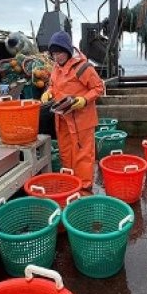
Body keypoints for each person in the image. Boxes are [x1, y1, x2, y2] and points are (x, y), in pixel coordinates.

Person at [40, 31, 104, 191]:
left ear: (68, 50)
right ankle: (70, 182)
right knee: (66, 152)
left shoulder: (83, 67)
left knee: (83, 156)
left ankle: (83, 188)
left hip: (81, 120)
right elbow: (53, 85)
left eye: (60, 52)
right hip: (62, 119)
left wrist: (84, 100)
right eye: (54, 53)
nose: (57, 57)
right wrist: (48, 92)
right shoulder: (55, 68)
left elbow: (99, 88)